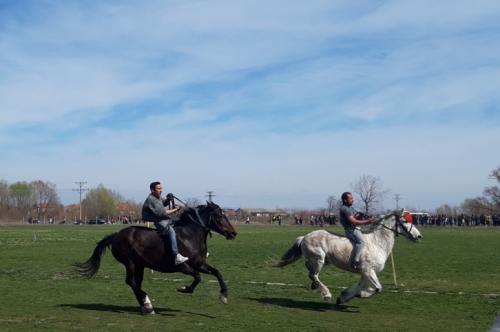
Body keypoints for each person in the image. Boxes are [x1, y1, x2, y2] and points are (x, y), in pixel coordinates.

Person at [142, 182, 188, 265]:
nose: (161, 190)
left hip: (165, 219)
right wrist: (176, 209)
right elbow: (161, 213)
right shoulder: (151, 200)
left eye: (161, 188)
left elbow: (165, 203)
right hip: (159, 221)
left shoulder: (158, 197)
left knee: (180, 224)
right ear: (153, 190)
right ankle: (176, 255)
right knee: (171, 232)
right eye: (158, 189)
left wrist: (168, 199)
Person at [339, 192, 373, 270]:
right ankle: (355, 262)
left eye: (352, 198)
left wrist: (360, 216)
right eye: (350, 198)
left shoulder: (349, 208)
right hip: (351, 230)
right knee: (362, 242)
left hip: (354, 229)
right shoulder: (345, 209)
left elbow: (355, 219)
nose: (353, 200)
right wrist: (367, 222)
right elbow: (353, 222)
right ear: (345, 200)